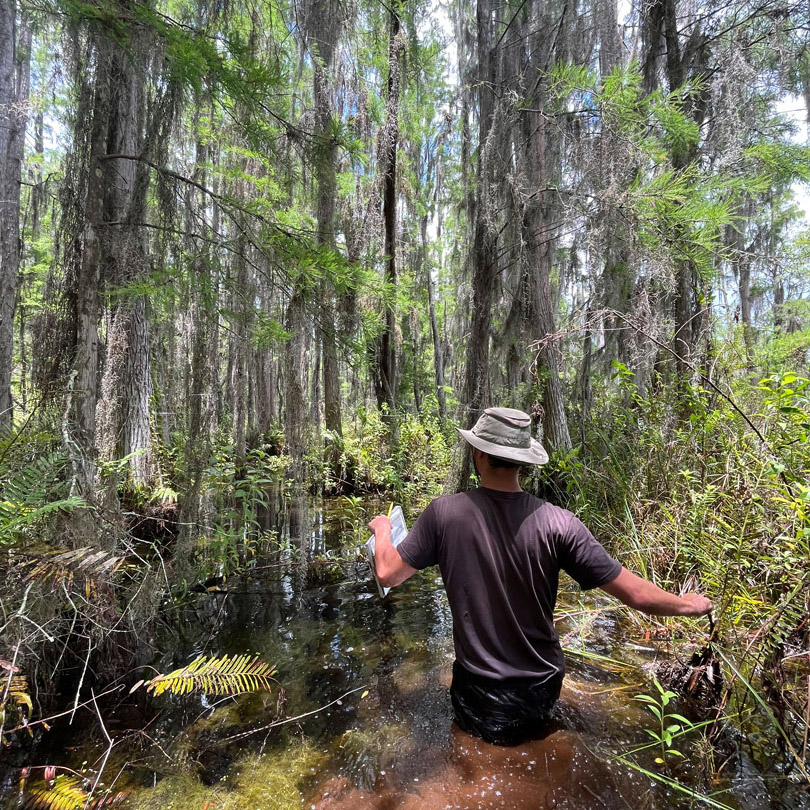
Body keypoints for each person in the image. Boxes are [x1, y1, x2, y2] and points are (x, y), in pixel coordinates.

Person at [368, 406, 712, 746]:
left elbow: (387, 574)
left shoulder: (443, 514)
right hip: (541, 685)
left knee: (472, 754)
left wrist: (383, 529)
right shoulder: (560, 523)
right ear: (524, 461)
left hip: (480, 689)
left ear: (478, 455)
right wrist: (687, 605)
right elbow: (634, 593)